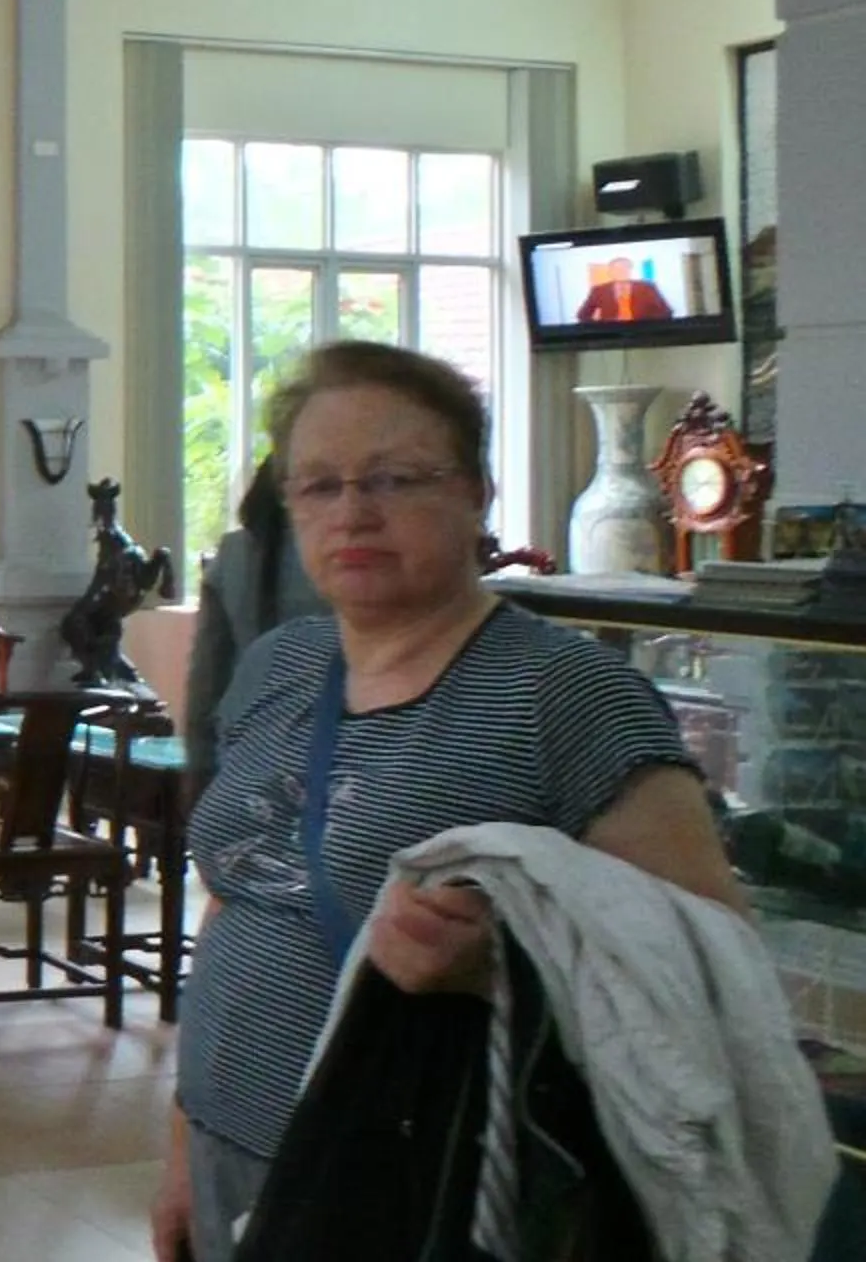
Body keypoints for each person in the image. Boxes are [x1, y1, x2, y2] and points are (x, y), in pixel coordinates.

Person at [152, 341, 745, 1262]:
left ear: (476, 492)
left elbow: (709, 956)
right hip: (232, 1141)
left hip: (418, 1177)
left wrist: (504, 965)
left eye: (395, 478)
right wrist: (183, 1144)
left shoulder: (564, 694)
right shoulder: (282, 666)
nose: (353, 512)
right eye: (319, 486)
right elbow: (238, 902)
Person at [181, 453, 328, 800]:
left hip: (246, 738)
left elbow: (206, 677)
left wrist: (198, 764)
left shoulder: (232, 554)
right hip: (334, 738)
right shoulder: (343, 554)